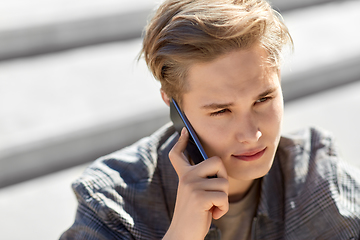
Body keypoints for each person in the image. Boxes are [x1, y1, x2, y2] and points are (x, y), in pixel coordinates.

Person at [60, 0, 360, 239]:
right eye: (221, 111)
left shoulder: (315, 177)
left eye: (263, 99)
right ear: (174, 106)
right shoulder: (113, 201)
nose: (251, 134)